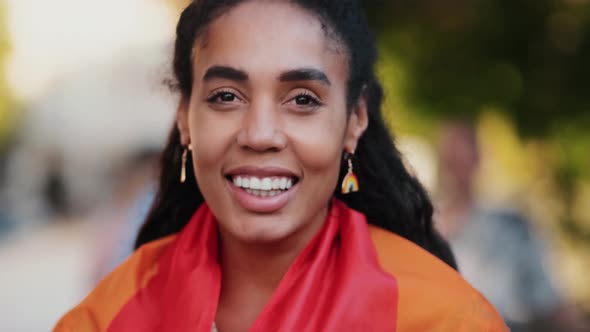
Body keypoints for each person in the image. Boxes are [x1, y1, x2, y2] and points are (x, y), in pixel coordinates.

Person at [54, 1, 507, 331]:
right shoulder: (107, 316)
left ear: (354, 122)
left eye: (303, 100)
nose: (260, 134)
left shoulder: (444, 318)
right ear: (185, 119)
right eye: (226, 97)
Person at [435, 121, 586, 332]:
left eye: (462, 161)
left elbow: (549, 299)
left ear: (477, 160)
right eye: (451, 161)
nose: (456, 171)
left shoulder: (510, 227)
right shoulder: (425, 227)